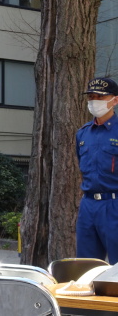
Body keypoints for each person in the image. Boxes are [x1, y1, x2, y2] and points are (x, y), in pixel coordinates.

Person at [76, 77, 118, 263]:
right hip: (88, 205)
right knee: (86, 266)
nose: (94, 102)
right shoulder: (83, 133)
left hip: (114, 204)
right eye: (91, 97)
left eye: (100, 98)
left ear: (114, 100)